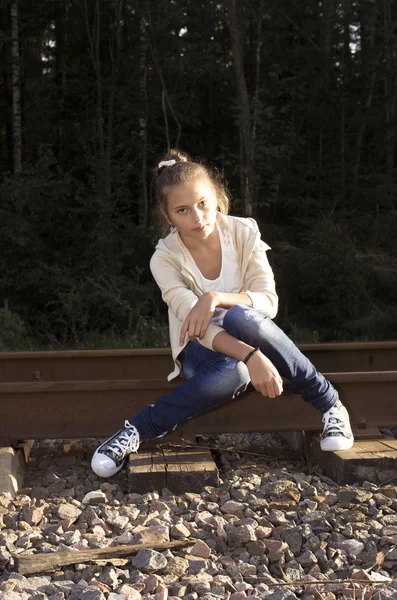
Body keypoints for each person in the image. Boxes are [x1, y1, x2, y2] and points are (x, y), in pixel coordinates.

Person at [91, 149, 354, 478]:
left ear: (216, 197)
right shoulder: (164, 258)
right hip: (200, 347)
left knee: (240, 316)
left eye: (202, 204)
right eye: (183, 211)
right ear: (168, 215)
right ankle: (135, 431)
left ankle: (330, 406)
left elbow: (267, 301)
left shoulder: (244, 233)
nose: (198, 218)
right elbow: (197, 327)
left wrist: (215, 298)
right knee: (236, 372)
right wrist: (252, 357)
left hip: (249, 327)